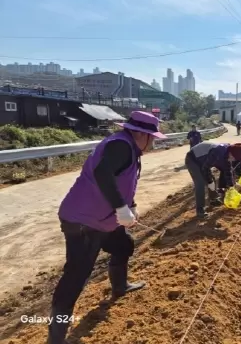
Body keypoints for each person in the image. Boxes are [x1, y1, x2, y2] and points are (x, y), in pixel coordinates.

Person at [48, 111, 165, 343]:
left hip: (102, 221)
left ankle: (120, 286)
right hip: (84, 221)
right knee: (75, 278)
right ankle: (56, 335)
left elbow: (122, 181)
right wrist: (121, 208)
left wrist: (130, 206)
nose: (152, 143)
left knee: (123, 244)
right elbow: (103, 173)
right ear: (140, 134)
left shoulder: (128, 147)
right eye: (152, 138)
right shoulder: (121, 145)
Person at [185, 142, 241, 217]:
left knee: (210, 178)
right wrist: (209, 181)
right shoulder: (218, 152)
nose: (232, 160)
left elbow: (228, 171)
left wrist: (231, 187)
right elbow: (205, 168)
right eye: (232, 158)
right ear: (231, 153)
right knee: (201, 184)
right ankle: (200, 210)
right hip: (193, 159)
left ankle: (214, 199)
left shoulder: (228, 155)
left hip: (204, 161)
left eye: (234, 159)